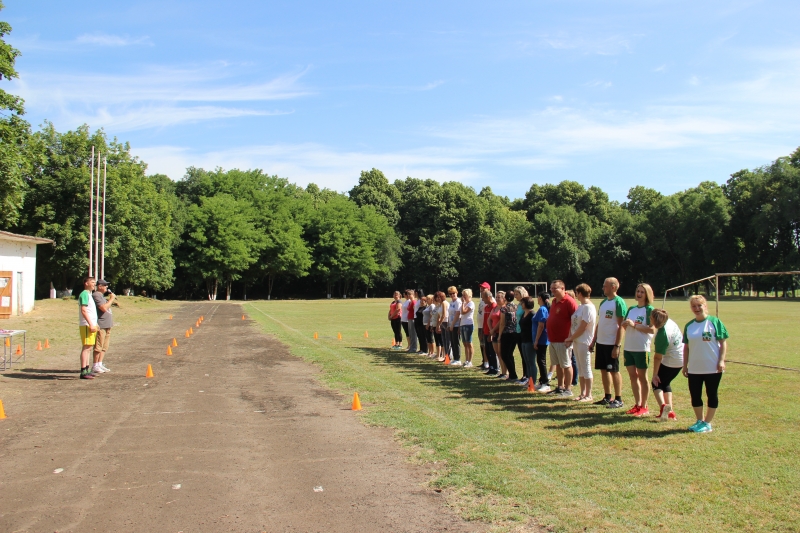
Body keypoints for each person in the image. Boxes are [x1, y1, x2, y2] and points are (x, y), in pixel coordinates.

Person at [682, 295, 728, 433]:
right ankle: (699, 420)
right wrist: (685, 365)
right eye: (694, 306)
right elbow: (686, 347)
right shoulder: (689, 325)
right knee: (695, 395)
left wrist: (721, 360)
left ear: (705, 306)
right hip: (695, 368)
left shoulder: (714, 322)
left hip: (712, 367)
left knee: (711, 394)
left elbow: (723, 343)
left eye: (699, 305)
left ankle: (707, 423)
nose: (697, 308)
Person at [590, 278, 627, 408]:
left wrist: (617, 346)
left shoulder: (619, 302)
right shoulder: (604, 302)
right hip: (601, 342)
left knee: (614, 371)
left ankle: (618, 399)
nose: (603, 288)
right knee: (603, 370)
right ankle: (607, 396)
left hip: (612, 343)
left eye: (605, 286)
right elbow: (601, 323)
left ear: (613, 287)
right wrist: (594, 340)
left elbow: (622, 326)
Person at [620, 283, 656, 416]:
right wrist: (625, 324)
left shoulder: (649, 310)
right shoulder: (631, 309)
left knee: (642, 377)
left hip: (641, 348)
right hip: (629, 347)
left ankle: (644, 406)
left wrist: (634, 325)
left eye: (642, 292)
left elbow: (652, 329)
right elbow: (625, 325)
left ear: (647, 294)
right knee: (632, 376)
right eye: (638, 291)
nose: (639, 294)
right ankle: (637, 404)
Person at [546, 280, 578, 396]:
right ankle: (560, 387)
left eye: (555, 288)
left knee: (566, 364)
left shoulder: (569, 301)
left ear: (563, 288)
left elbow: (576, 321)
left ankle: (568, 389)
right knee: (558, 364)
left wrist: (570, 337)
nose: (552, 290)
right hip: (553, 339)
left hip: (564, 340)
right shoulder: (554, 301)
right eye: (551, 288)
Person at [565, 284, 597, 401]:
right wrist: (572, 337)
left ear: (580, 293)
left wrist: (571, 338)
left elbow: (583, 326)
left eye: (577, 293)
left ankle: (589, 394)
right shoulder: (581, 306)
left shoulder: (589, 307)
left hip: (585, 341)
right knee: (580, 366)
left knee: (586, 367)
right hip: (577, 341)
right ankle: (583, 393)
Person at [650, 308, 683, 421]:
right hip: (681, 358)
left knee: (656, 383)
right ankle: (670, 411)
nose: (650, 319)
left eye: (651, 317)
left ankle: (663, 407)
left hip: (672, 360)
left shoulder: (662, 335)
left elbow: (658, 357)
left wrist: (655, 374)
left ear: (655, 320)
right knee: (665, 382)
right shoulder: (669, 322)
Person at [91, 280, 117, 374]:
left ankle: (100, 363)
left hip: (107, 324)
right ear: (99, 286)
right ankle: (95, 365)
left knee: (104, 347)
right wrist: (111, 299)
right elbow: (103, 308)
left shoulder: (101, 296)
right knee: (98, 346)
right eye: (105, 285)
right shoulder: (96, 295)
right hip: (101, 325)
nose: (107, 287)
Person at [77, 276, 99, 380]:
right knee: (86, 347)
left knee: (89, 347)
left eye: (95, 282)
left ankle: (87, 368)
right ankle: (83, 371)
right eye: (92, 282)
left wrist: (95, 323)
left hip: (91, 324)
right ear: (86, 283)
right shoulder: (84, 294)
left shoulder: (89, 295)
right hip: (86, 324)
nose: (94, 284)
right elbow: (84, 310)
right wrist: (90, 323)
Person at [497, 291, 519, 382]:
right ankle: (512, 374)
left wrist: (499, 335)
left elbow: (502, 323)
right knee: (510, 354)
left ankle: (513, 375)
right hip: (515, 333)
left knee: (505, 355)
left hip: (507, 333)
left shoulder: (504, 308)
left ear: (505, 298)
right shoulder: (516, 306)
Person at [532, 292, 551, 392]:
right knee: (540, 360)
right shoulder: (542, 308)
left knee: (541, 360)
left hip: (542, 339)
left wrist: (536, 340)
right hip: (540, 339)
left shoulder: (543, 309)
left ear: (540, 298)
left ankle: (545, 383)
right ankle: (542, 381)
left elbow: (541, 326)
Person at [518, 297, 537, 386]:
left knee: (531, 362)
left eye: (522, 303)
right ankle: (529, 380)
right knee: (527, 361)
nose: (521, 304)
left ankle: (532, 382)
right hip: (523, 340)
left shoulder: (532, 314)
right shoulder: (523, 314)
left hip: (530, 341)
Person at [513, 287, 529, 384]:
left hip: (523, 332)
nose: (515, 296)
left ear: (522, 293)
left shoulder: (525, 303)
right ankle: (524, 375)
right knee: (522, 355)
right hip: (518, 331)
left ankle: (527, 376)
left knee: (526, 356)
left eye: (517, 294)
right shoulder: (519, 304)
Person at [481, 290, 500, 375]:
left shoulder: (494, 306)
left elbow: (493, 321)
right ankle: (491, 368)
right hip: (485, 331)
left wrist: (490, 333)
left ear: (488, 297)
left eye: (483, 297)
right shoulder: (486, 307)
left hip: (491, 332)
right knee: (488, 351)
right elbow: (486, 320)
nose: (482, 299)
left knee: (493, 351)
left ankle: (495, 368)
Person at [488, 292, 506, 377]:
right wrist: (491, 330)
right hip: (494, 333)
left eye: (499, 297)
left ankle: (505, 372)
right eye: (497, 297)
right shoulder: (494, 308)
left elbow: (501, 321)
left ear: (504, 299)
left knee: (501, 353)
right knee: (497, 353)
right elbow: (489, 319)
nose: (498, 299)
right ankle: (501, 371)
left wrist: (494, 329)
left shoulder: (503, 308)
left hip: (500, 332)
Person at [459, 289, 476, 368]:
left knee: (469, 343)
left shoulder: (471, 304)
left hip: (468, 324)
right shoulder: (465, 303)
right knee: (465, 343)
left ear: (469, 295)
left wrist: (462, 303)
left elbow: (463, 312)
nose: (463, 297)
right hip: (463, 324)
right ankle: (466, 360)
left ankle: (470, 361)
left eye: (464, 295)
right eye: (462, 295)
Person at [476, 282, 491, 369]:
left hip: (485, 326)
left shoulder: (489, 299)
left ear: (488, 289)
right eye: (481, 288)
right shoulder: (482, 299)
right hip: (480, 325)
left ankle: (487, 362)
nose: (481, 289)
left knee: (486, 344)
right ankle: (484, 360)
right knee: (482, 344)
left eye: (483, 288)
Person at [447, 286, 462, 366]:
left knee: (456, 341)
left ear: (456, 292)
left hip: (456, 324)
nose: (452, 295)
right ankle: (454, 358)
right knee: (452, 342)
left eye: (453, 293)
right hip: (451, 324)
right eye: (450, 294)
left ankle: (458, 359)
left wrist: (453, 324)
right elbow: (449, 314)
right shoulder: (451, 302)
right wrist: (449, 324)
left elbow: (457, 314)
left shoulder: (458, 302)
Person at [434, 291, 451, 362]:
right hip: (442, 323)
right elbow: (439, 315)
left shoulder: (444, 303)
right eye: (437, 297)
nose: (438, 298)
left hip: (446, 322)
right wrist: (438, 325)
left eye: (439, 297)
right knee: (444, 341)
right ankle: (446, 357)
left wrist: (439, 324)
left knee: (447, 341)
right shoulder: (440, 304)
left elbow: (444, 315)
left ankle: (448, 358)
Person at [414, 290, 428, 355]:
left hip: (423, 324)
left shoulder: (425, 308)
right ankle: (421, 349)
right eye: (421, 301)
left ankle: (425, 350)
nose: (421, 302)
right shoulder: (420, 307)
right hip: (418, 323)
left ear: (426, 302)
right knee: (420, 336)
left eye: (423, 301)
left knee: (423, 337)